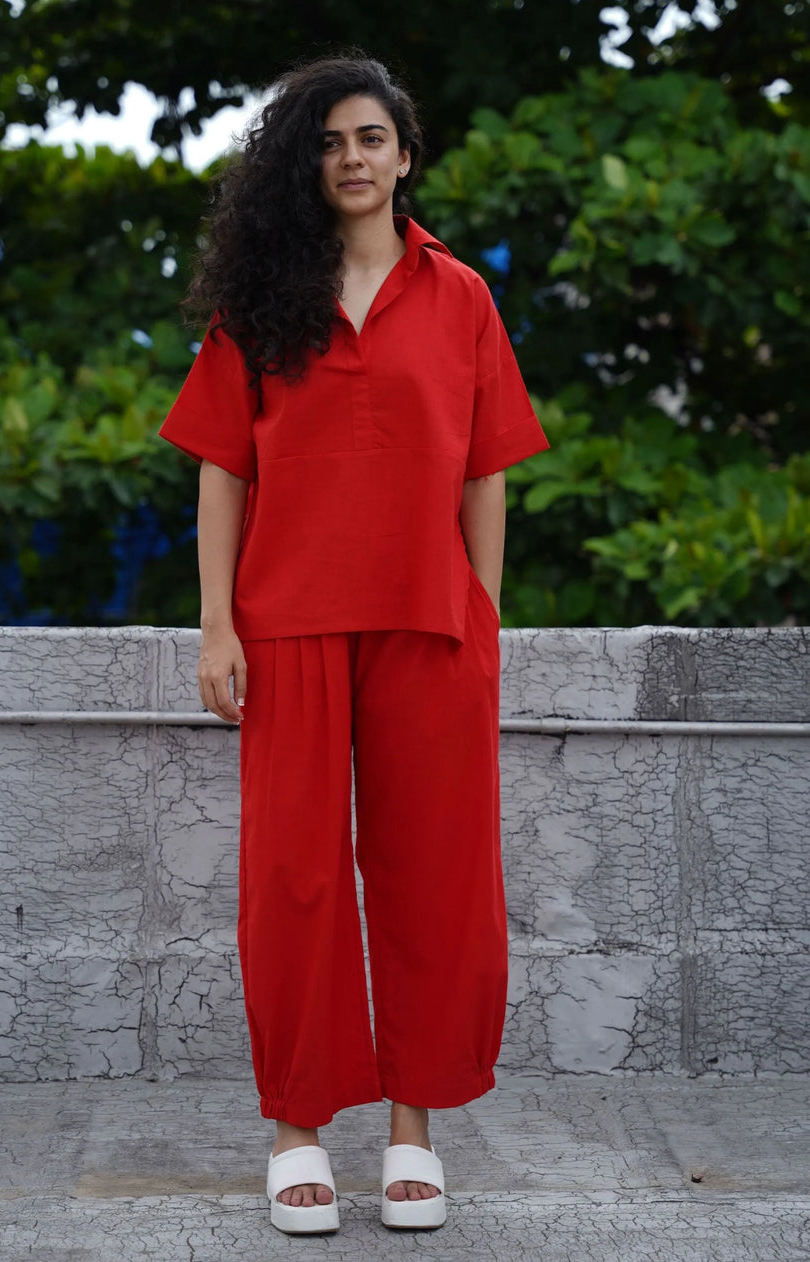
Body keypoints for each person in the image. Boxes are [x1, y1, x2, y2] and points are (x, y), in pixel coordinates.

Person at [158, 53, 549, 1235]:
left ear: (406, 155)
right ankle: (296, 1131)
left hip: (429, 627)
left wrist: (478, 612)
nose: (352, 158)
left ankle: (413, 1129)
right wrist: (220, 622)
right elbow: (224, 473)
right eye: (329, 141)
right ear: (305, 163)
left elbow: (486, 473)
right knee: (294, 880)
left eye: (371, 137)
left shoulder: (464, 298)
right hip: (287, 630)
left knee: (437, 877)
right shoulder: (262, 301)